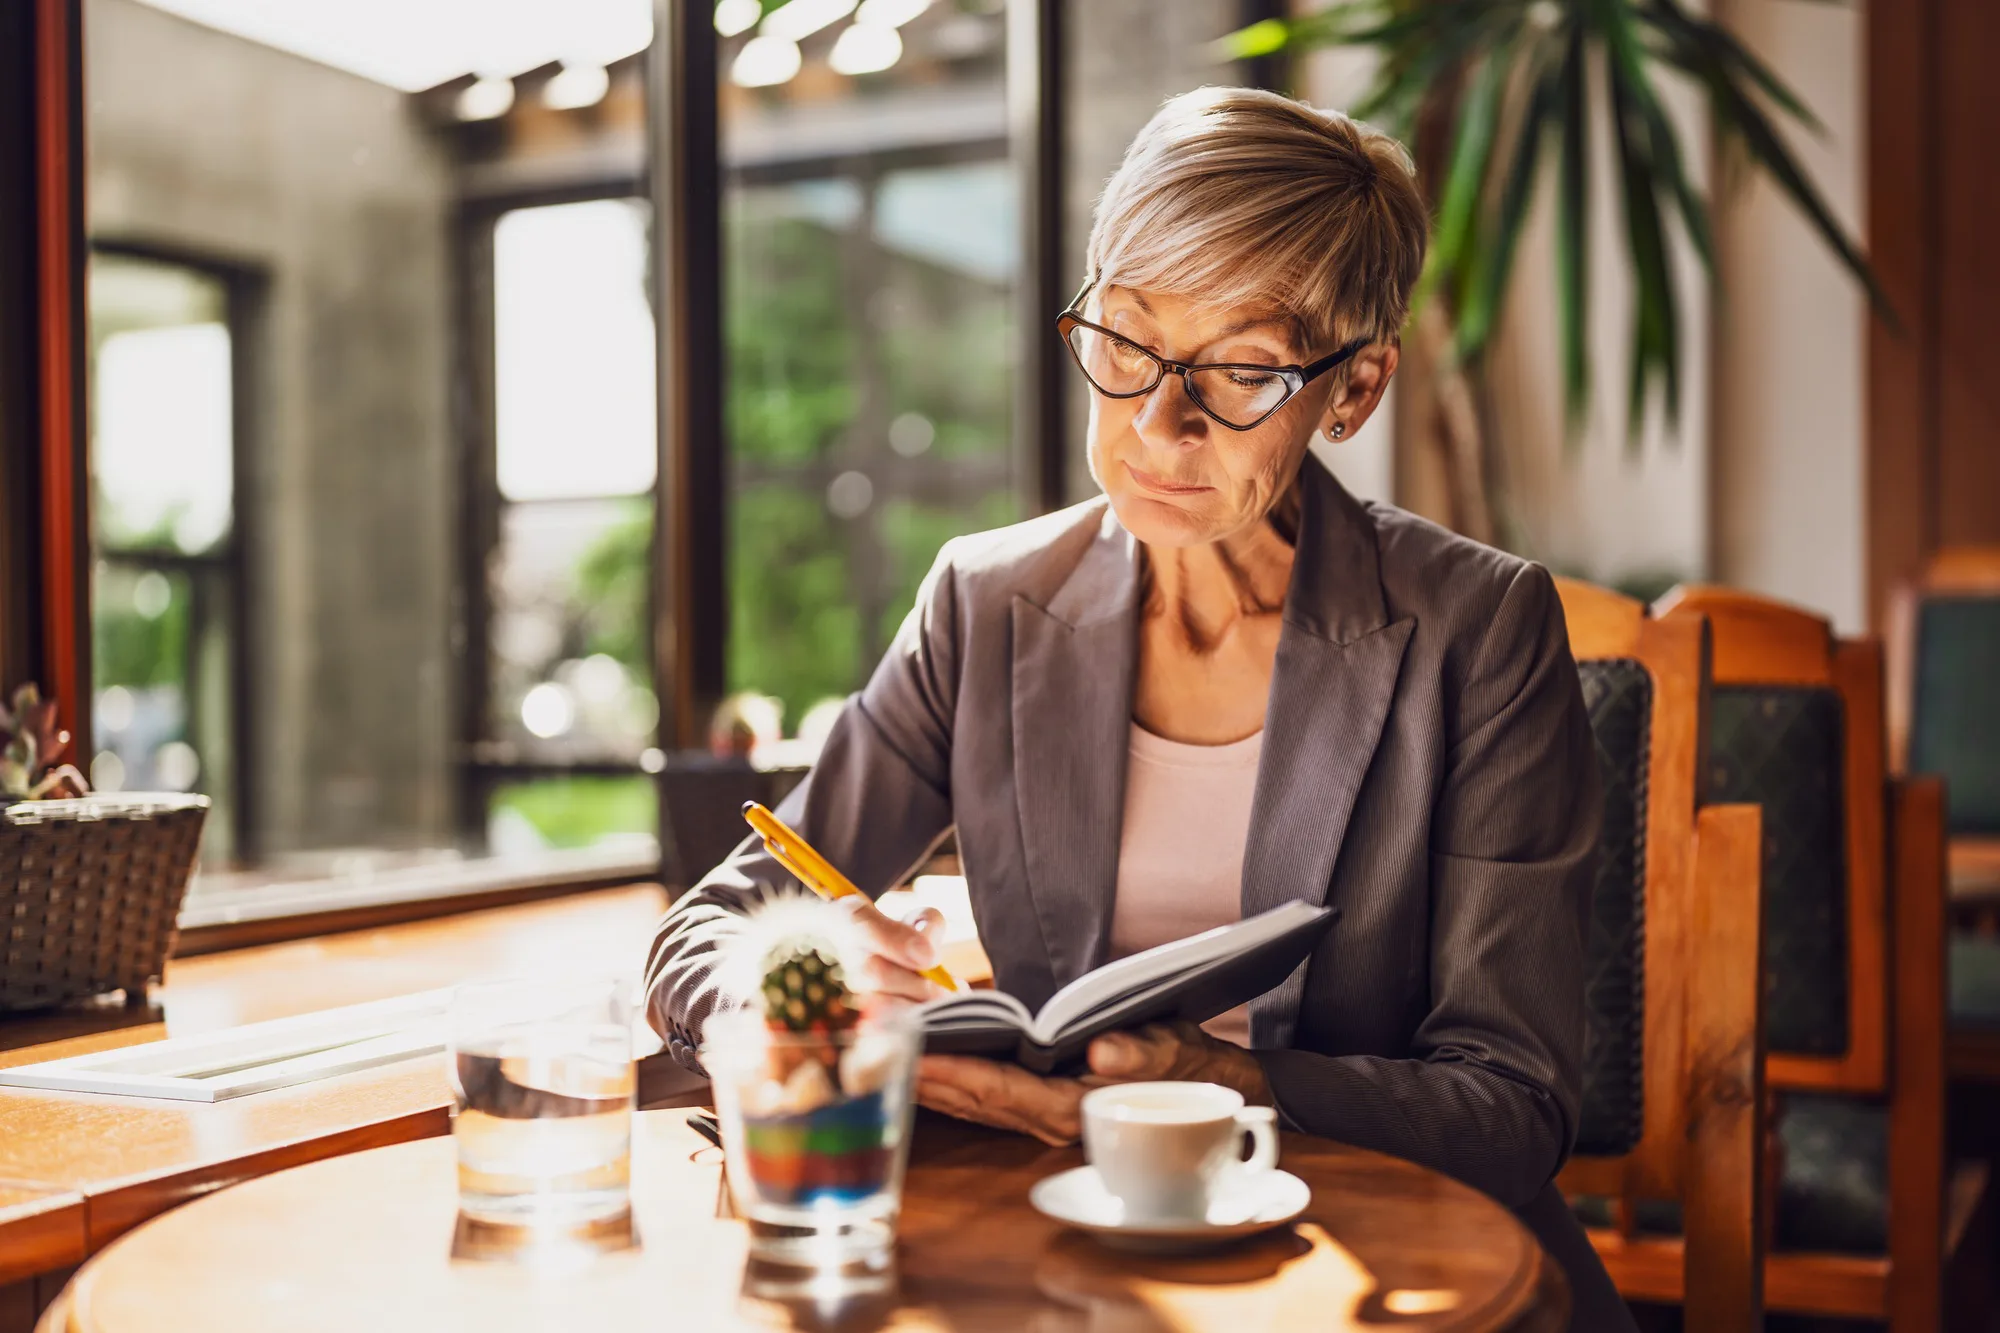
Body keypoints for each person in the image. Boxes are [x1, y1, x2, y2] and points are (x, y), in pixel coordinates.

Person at [647, 86, 1630, 1330]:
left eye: (1242, 370)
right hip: (1065, 1238)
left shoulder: (1477, 630)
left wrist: (1223, 1080)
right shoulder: (985, 602)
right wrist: (785, 991)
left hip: (1388, 1260)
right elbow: (718, 919)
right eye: (1125, 341)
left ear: (1354, 390)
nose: (1159, 423)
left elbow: (1510, 1107)